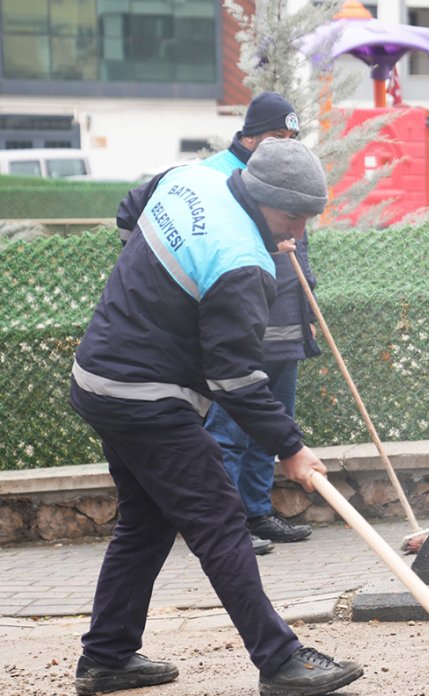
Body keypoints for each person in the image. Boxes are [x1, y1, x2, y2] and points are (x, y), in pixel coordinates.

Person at [71, 137, 363, 696]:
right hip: (143, 396)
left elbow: (131, 210)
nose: (299, 233)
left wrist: (153, 292)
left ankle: (107, 657)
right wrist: (291, 447)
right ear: (263, 197)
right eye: (294, 217)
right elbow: (235, 379)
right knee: (221, 521)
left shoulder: (191, 178)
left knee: (146, 523)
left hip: (98, 376)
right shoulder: (241, 261)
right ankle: (281, 661)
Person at [116, 92, 319, 556]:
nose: (282, 147)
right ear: (248, 135)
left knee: (272, 426)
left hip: (282, 326)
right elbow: (133, 214)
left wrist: (305, 318)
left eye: (291, 138)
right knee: (228, 430)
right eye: (274, 137)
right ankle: (229, 524)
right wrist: (149, 270)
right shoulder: (211, 176)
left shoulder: (282, 181)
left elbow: (297, 252)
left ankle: (255, 511)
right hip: (231, 332)